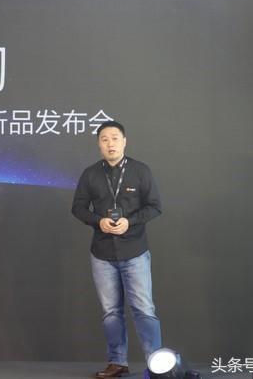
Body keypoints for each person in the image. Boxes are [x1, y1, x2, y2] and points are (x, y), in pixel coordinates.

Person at [71, 120, 162, 378]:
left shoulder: (140, 171)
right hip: (102, 254)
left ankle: (157, 364)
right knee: (111, 312)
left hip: (135, 251)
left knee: (144, 310)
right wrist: (97, 221)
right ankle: (117, 362)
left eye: (114, 138)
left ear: (124, 141)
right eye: (104, 139)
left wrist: (129, 222)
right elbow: (77, 208)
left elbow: (155, 206)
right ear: (99, 144)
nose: (110, 144)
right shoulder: (90, 174)